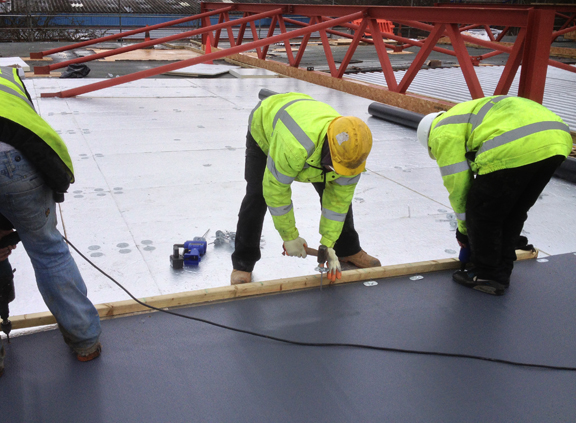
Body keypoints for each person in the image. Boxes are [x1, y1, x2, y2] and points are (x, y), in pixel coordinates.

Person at [0, 63, 102, 382]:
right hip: (16, 153)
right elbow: (24, 143)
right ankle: (85, 341)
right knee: (49, 251)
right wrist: (0, 229)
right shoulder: (8, 80)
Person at [417, 95, 572, 295]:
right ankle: (502, 268)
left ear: (428, 140)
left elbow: (459, 186)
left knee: (482, 212)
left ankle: (487, 275)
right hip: (557, 140)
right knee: (514, 210)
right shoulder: (462, 114)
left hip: (514, 144)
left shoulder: (441, 133)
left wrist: (464, 231)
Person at [231, 91, 380, 285]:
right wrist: (289, 237)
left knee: (337, 194)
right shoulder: (293, 146)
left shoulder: (352, 154)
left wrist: (328, 245)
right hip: (266, 127)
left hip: (307, 124)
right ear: (329, 149)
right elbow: (275, 191)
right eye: (337, 165)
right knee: (257, 195)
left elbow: (338, 201)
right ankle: (243, 262)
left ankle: (347, 250)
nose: (343, 172)